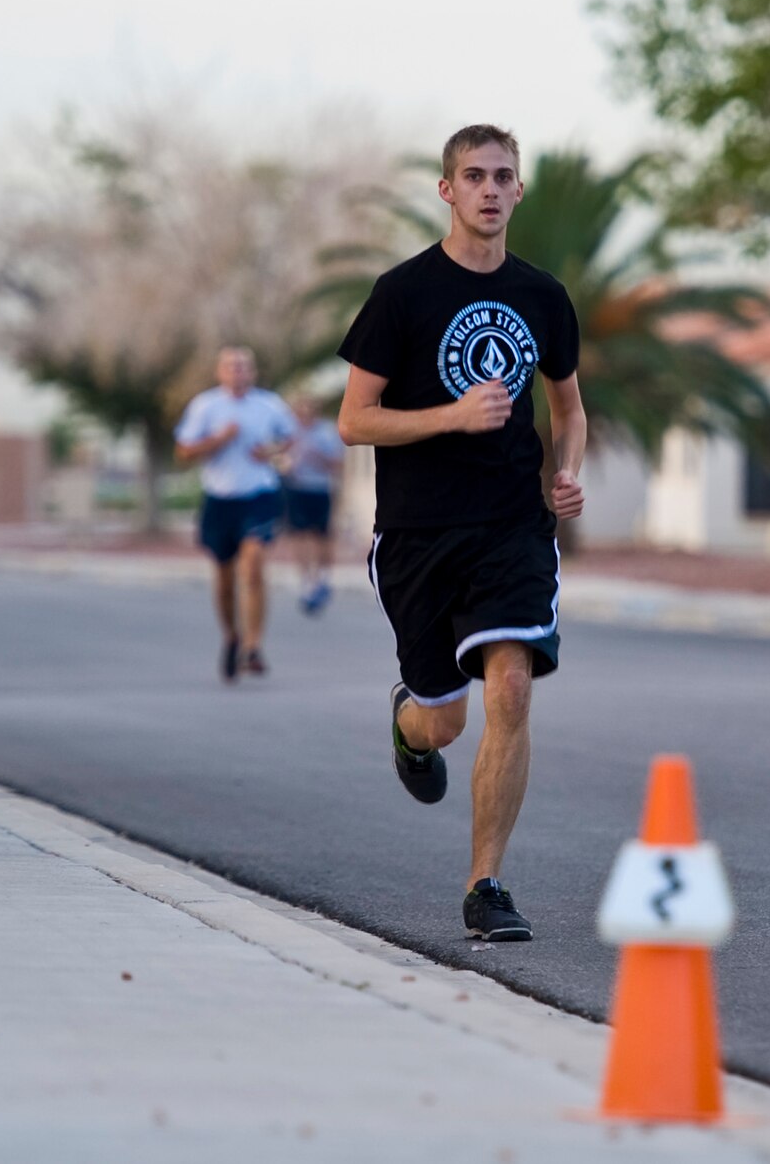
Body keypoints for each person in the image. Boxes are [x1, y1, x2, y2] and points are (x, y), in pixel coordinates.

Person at [336, 124, 586, 942]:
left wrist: (567, 469)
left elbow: (569, 408)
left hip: (512, 524)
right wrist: (452, 414)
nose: (488, 188)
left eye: (502, 176)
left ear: (519, 191)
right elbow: (352, 420)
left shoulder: (543, 295)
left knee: (510, 686)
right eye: (472, 175)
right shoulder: (401, 294)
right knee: (444, 719)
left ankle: (486, 885)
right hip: (416, 534)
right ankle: (409, 724)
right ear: (446, 190)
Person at [174, 347, 296, 682]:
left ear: (252, 372)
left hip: (259, 495)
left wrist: (269, 451)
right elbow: (183, 451)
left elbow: (288, 440)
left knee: (254, 565)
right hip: (220, 499)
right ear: (220, 372)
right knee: (225, 577)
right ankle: (231, 636)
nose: (238, 372)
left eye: (244, 366)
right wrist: (218, 439)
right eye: (231, 366)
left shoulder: (270, 404)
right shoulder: (205, 406)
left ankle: (253, 647)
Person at [280, 395, 345, 615]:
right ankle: (306, 579)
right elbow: (278, 457)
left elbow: (338, 464)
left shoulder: (326, 431)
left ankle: (324, 577)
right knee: (300, 534)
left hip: (320, 488)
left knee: (322, 535)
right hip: (297, 487)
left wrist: (318, 458)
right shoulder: (290, 432)